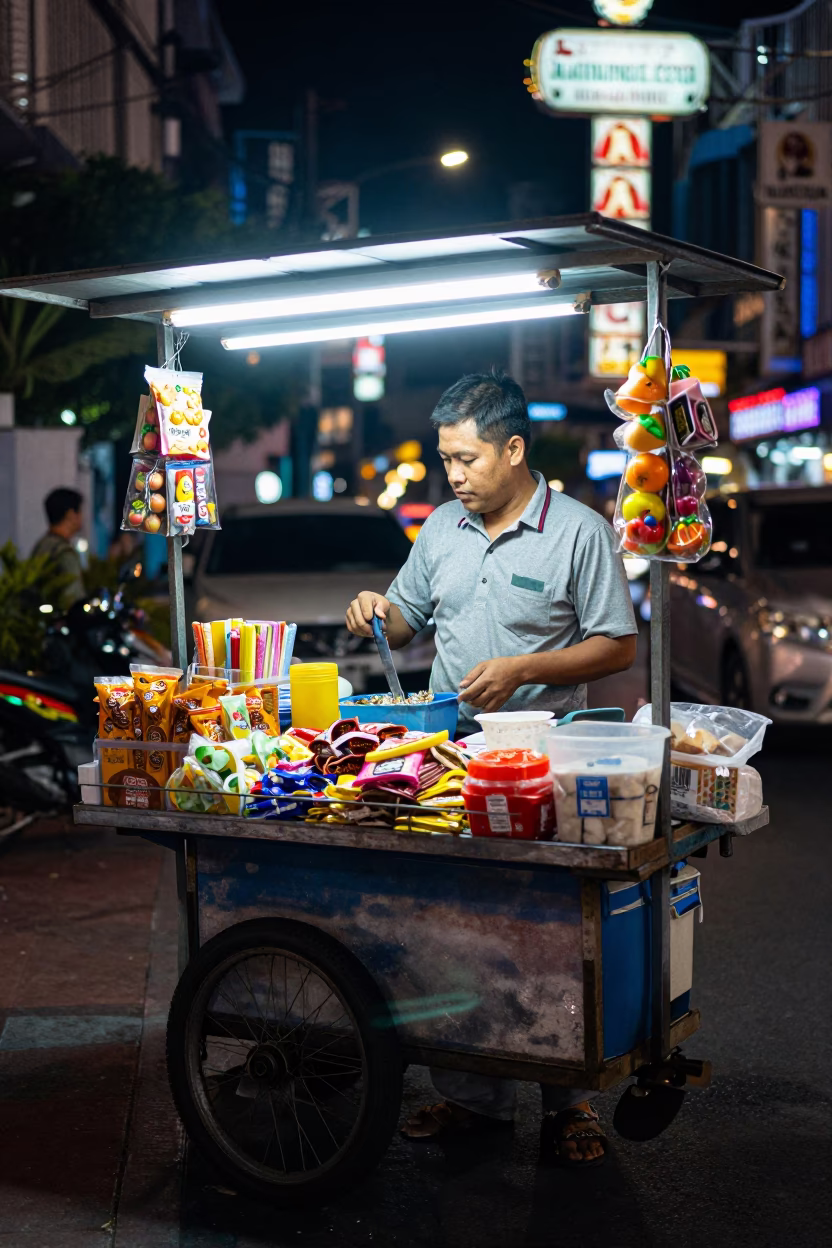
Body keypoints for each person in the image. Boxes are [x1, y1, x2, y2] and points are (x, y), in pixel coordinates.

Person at [345, 370, 638, 1166]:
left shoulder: (578, 530)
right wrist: (379, 608)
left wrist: (522, 667)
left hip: (542, 766)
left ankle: (568, 1100)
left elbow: (619, 642)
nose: (456, 476)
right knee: (449, 928)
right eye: (446, 461)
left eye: (468, 459)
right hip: (446, 762)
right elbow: (407, 623)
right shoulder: (440, 527)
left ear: (513, 448)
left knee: (544, 933)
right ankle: (467, 1095)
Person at [31, 487, 85, 610]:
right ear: (71, 515)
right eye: (80, 512)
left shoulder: (42, 545)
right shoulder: (64, 552)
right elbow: (74, 599)